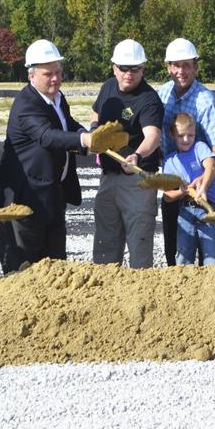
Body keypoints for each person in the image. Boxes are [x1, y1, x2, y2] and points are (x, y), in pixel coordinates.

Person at [0, 40, 96, 273]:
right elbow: (46, 136)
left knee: (55, 268)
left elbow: (67, 124)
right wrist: (84, 140)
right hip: (23, 200)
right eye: (48, 74)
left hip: (52, 194)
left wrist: (87, 134)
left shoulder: (57, 98)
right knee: (24, 270)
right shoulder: (26, 104)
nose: (55, 79)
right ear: (31, 75)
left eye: (58, 72)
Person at [91, 38, 164, 268]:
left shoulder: (149, 99)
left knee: (139, 246)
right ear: (114, 68)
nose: (129, 74)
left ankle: (140, 288)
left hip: (137, 182)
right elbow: (96, 114)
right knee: (105, 245)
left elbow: (153, 136)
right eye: (124, 68)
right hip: (108, 176)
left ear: (143, 69)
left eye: (135, 69)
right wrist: (94, 132)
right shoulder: (108, 87)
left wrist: (138, 156)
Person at [156, 38, 215, 267]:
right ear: (168, 67)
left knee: (209, 247)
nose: (181, 71)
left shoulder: (205, 99)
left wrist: (204, 179)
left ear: (195, 67)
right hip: (174, 177)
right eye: (176, 65)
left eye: (186, 65)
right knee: (175, 247)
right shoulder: (163, 94)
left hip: (205, 178)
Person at [161, 112, 215, 265]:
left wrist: (203, 187)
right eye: (181, 136)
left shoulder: (199, 147)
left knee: (212, 258)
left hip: (209, 210)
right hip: (185, 211)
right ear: (172, 135)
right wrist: (182, 191)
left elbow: (211, 166)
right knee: (183, 258)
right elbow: (167, 196)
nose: (186, 139)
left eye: (190, 135)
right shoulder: (170, 161)